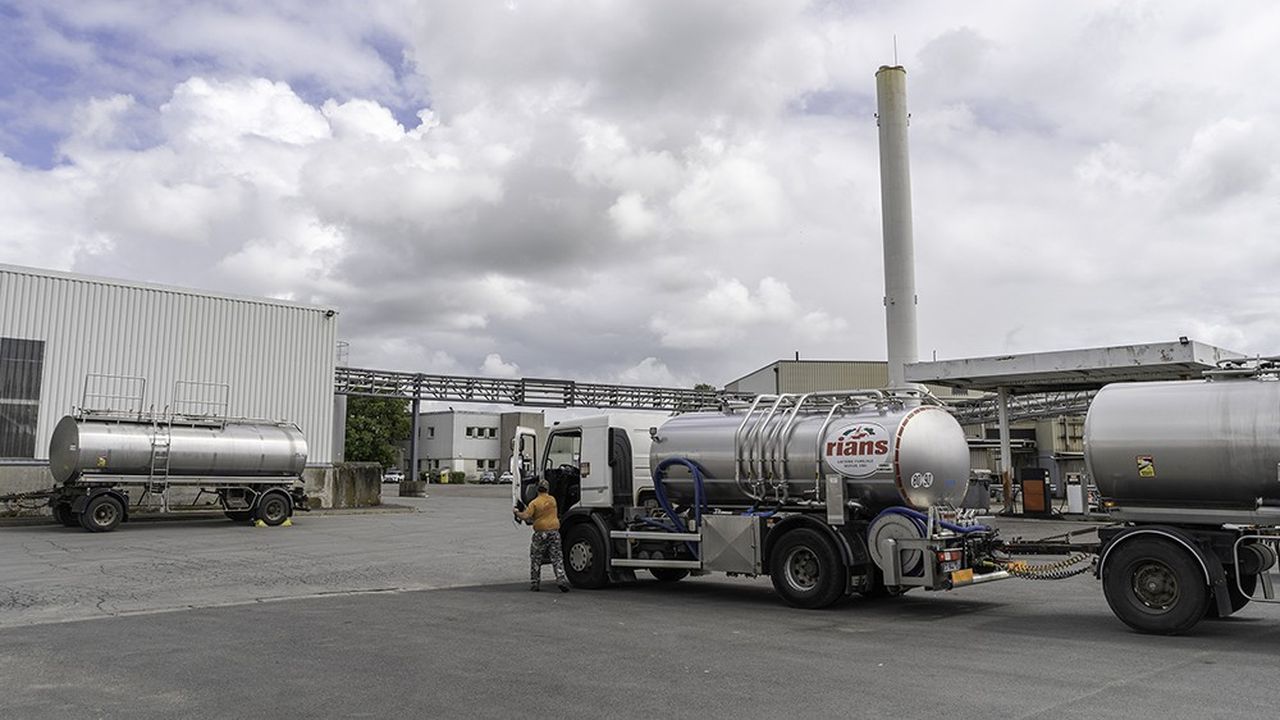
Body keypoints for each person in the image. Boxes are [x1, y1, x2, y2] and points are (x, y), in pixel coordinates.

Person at [514, 479, 570, 592]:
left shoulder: (534, 503)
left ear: (537, 489)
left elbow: (526, 516)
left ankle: (535, 583)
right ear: (547, 489)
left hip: (541, 533)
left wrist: (516, 512)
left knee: (536, 558)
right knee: (557, 557)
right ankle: (561, 580)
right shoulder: (552, 500)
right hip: (554, 532)